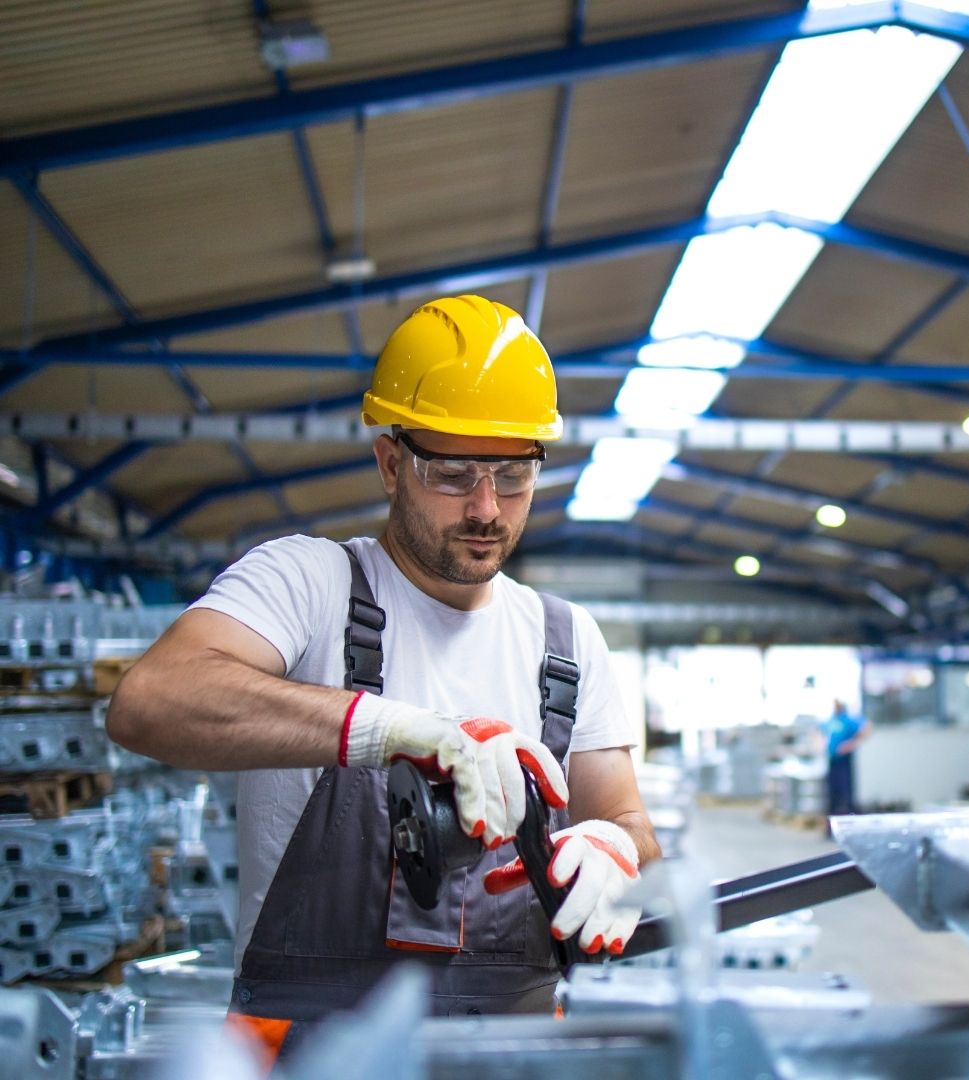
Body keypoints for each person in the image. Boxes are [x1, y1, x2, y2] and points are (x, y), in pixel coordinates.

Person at [106, 294, 660, 1062]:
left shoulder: (565, 642)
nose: (486, 508)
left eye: (513, 475)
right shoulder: (309, 584)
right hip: (308, 1049)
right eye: (454, 473)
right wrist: (392, 730)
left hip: (516, 1051)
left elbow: (630, 824)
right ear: (390, 462)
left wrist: (614, 849)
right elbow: (148, 702)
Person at [821, 698, 872, 824]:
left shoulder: (848, 720)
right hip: (832, 760)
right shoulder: (831, 720)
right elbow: (819, 730)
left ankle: (849, 824)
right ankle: (830, 827)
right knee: (832, 795)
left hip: (845, 762)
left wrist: (851, 744)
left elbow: (866, 728)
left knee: (846, 794)